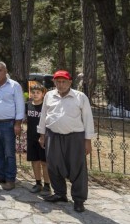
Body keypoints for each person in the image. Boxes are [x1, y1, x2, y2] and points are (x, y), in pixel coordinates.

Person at [39, 70, 94, 213]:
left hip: (74, 137)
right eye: (58, 81)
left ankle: (79, 199)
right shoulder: (49, 96)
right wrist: (42, 134)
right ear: (54, 82)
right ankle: (60, 194)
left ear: (70, 82)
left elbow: (88, 119)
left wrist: (87, 141)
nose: (61, 84)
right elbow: (44, 115)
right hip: (53, 135)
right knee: (53, 165)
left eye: (64, 82)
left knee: (77, 168)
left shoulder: (80, 97)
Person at [0, 61, 25, 191]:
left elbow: (20, 105)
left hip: (8, 124)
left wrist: (18, 123)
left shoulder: (14, 85)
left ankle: (10, 179)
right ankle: (0, 175)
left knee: (9, 153)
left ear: (6, 71)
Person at [25, 83, 50, 194]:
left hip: (43, 138)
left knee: (44, 162)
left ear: (43, 94)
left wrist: (43, 136)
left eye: (38, 93)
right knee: (35, 161)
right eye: (33, 93)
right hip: (31, 137)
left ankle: (47, 185)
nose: (35, 95)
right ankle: (38, 183)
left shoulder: (45, 106)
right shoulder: (28, 105)